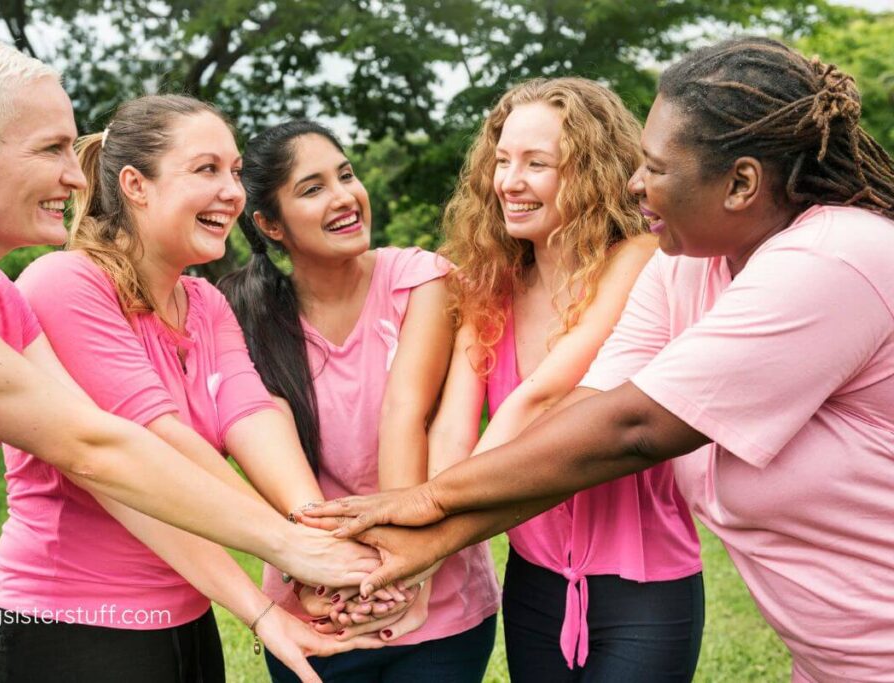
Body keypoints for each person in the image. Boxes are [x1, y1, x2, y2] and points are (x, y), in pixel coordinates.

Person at [303, 37, 894, 683]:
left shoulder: (833, 258)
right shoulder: (686, 272)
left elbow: (631, 429)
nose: (636, 183)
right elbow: (587, 412)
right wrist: (421, 545)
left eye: (658, 167)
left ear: (742, 182)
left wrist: (430, 498)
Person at [0, 37, 374, 683]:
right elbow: (97, 444)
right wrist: (294, 547)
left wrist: (267, 597)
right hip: (69, 626)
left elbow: (109, 464)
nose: (79, 175)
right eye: (52, 148)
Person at [429, 77, 702, 680]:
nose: (509, 182)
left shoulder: (638, 259)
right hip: (534, 584)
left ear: (593, 172)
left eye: (537, 163)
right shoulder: (489, 285)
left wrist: (426, 525)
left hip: (645, 586)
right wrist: (423, 529)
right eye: (502, 160)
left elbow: (543, 397)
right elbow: (453, 423)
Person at [219, 120, 501, 682]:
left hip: (441, 605)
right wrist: (335, 577)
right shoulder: (244, 315)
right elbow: (266, 453)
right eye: (313, 188)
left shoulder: (420, 279)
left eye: (345, 175)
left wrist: (402, 568)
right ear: (270, 224)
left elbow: (407, 412)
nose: (345, 196)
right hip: (320, 606)